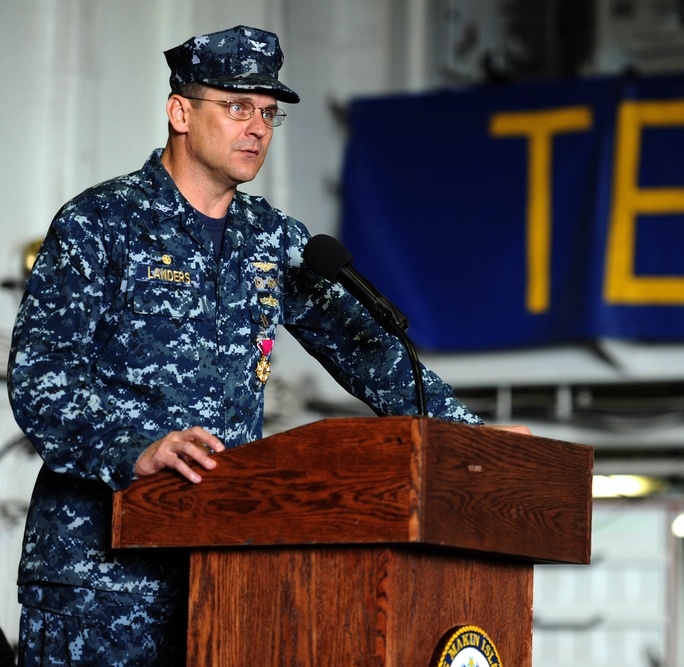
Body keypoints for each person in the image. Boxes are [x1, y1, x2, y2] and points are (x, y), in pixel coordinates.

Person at [7, 25, 510, 666]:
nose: (257, 128)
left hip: (226, 579)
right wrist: (136, 449)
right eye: (237, 106)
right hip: (100, 582)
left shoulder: (272, 241)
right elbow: (40, 377)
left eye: (268, 114)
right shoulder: (102, 223)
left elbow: (370, 351)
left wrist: (472, 444)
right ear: (180, 111)